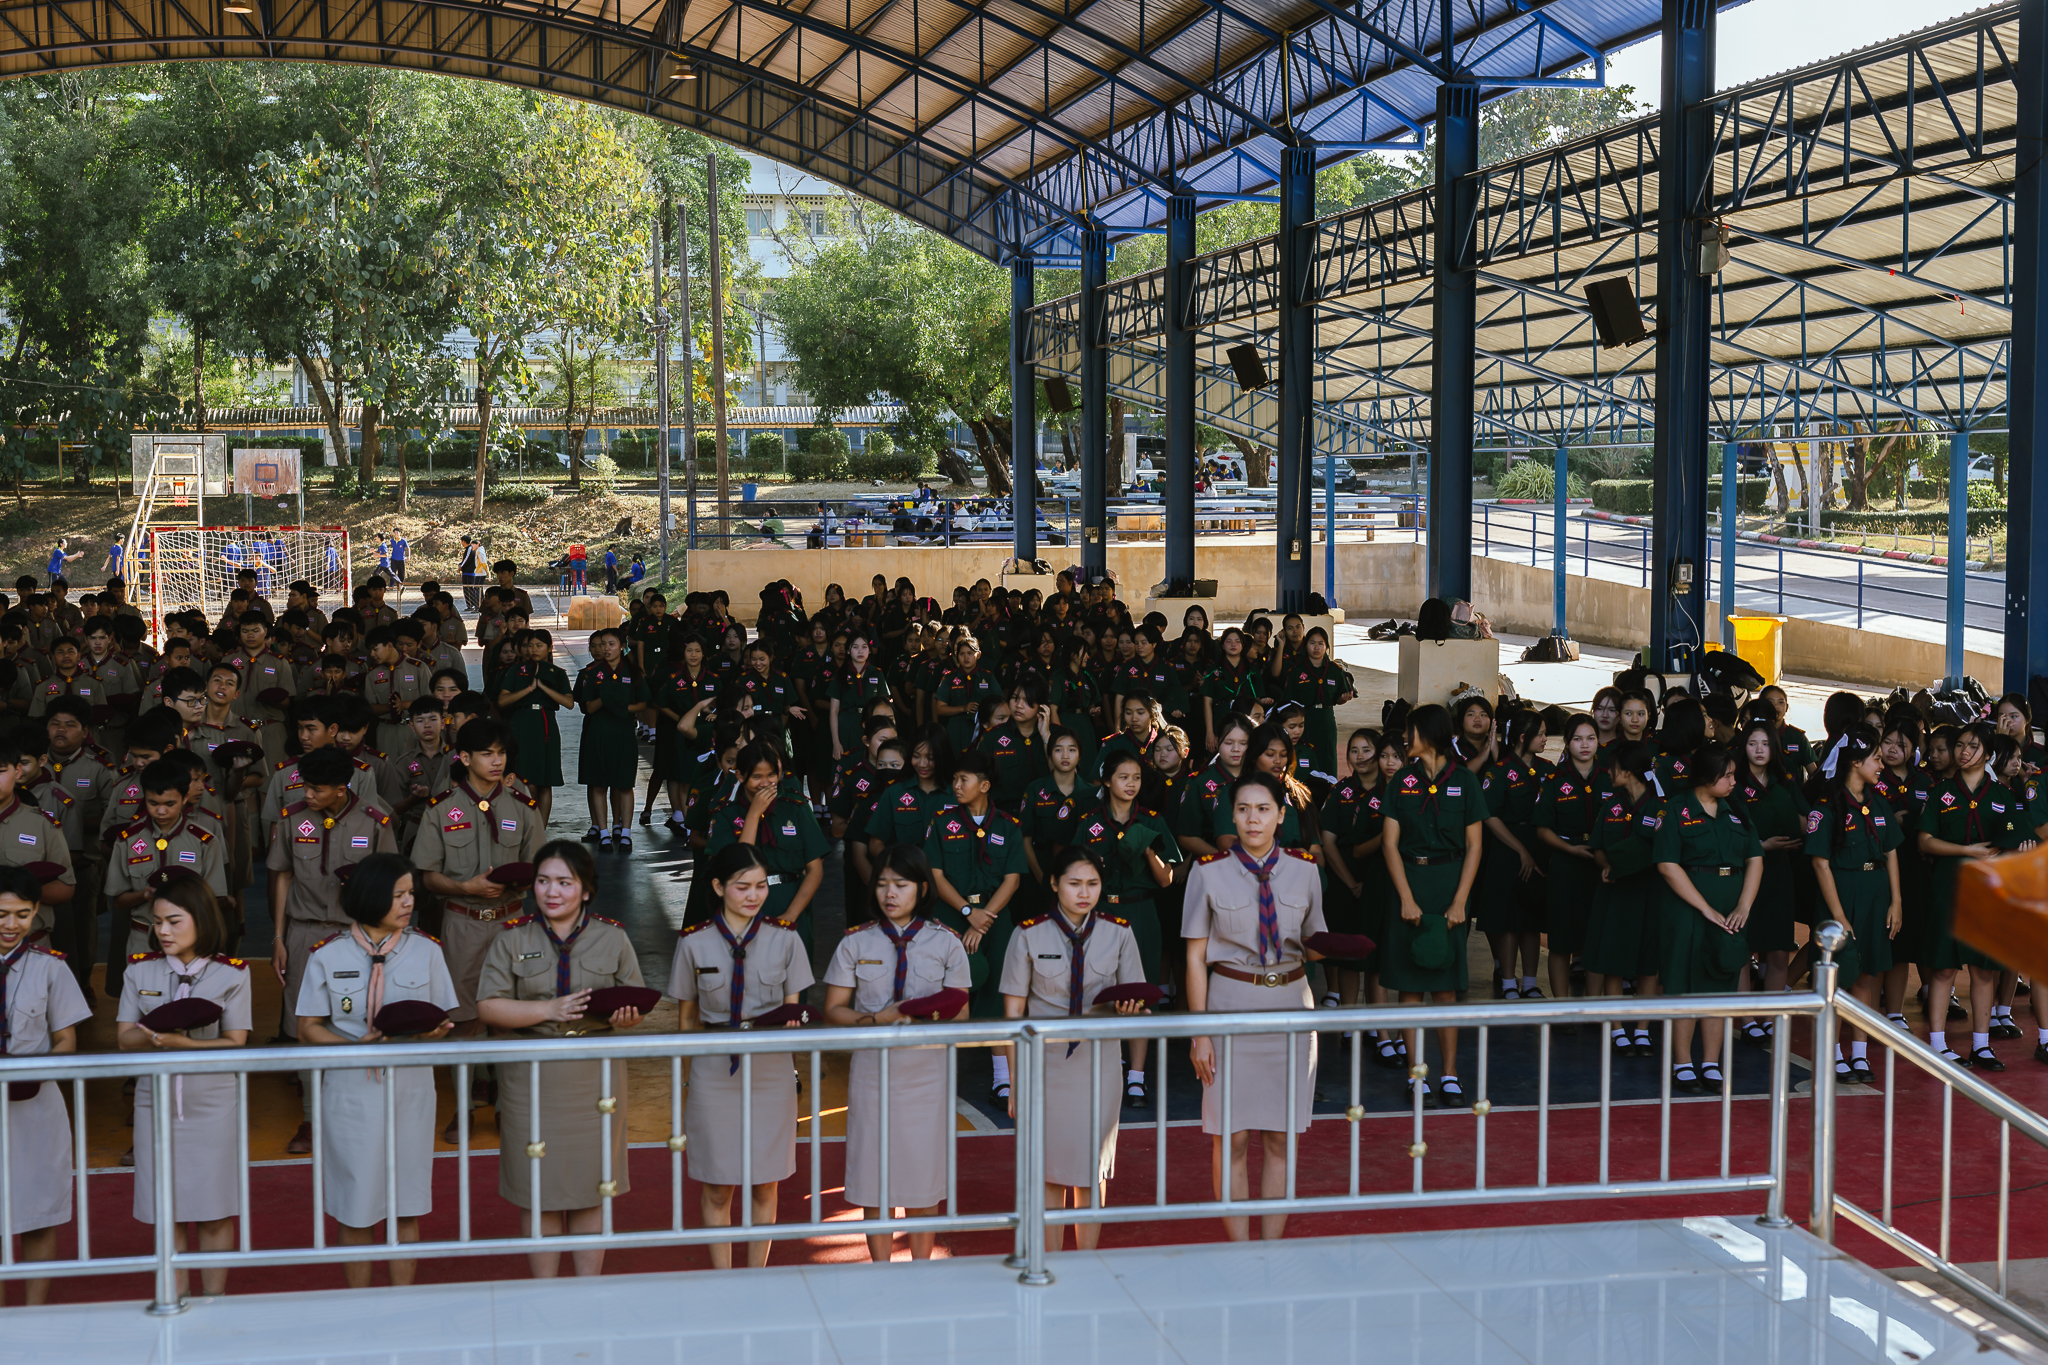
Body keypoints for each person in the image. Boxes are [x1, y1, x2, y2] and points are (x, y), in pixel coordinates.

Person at [476, 841, 647, 1278]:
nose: (552, 892)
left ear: (586, 890)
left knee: (592, 1188)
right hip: (531, 1079)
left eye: (565, 883)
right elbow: (489, 1006)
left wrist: (628, 1018)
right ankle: (545, 1291)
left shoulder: (613, 937)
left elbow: (636, 1000)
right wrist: (547, 1009)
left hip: (594, 1079)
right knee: (539, 1191)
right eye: (543, 881)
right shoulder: (513, 937)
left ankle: (586, 1291)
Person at [294, 853, 457, 1288]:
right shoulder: (328, 955)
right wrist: (354, 1048)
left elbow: (442, 1020)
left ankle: (401, 1302)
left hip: (411, 1089)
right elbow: (308, 1027)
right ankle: (360, 1304)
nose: (409, 903)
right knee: (356, 1205)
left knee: (406, 1203)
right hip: (351, 1091)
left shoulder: (427, 951)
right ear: (370, 896)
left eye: (411, 893)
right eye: (398, 894)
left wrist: (433, 1033)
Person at [1182, 771, 1327, 1242]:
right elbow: (1194, 958)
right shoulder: (1208, 871)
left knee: (1282, 1138)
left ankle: (1271, 1250)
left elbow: (1314, 942)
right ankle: (1240, 1252)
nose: (1252, 819)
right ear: (1232, 815)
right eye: (1243, 809)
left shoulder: (1306, 870)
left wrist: (1340, 949)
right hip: (1231, 1007)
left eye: (1263, 809)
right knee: (1233, 1139)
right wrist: (1201, 1032)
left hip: (1290, 1008)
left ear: (1281, 815)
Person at [822, 845, 971, 1262]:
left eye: (901, 884)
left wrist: (923, 1016)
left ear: (922, 888)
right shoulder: (856, 942)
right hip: (873, 1071)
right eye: (883, 884)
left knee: (923, 1180)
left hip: (926, 1074)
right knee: (874, 1181)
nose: (890, 893)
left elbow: (962, 1014)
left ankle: (921, 1271)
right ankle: (882, 1272)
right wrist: (876, 1020)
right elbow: (833, 1010)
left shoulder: (947, 943)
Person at [669, 843, 813, 1269]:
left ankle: (756, 1276)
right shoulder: (694, 943)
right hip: (714, 1070)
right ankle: (724, 1278)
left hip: (770, 1069)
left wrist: (793, 1031)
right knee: (717, 1185)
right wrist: (690, 1080)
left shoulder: (785, 939)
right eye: (742, 886)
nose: (754, 895)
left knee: (765, 1182)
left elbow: (793, 1009)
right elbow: (687, 1019)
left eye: (761, 886)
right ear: (718, 887)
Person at [999, 845, 1147, 1251]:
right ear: (1054, 884)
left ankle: (1086, 1262)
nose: (1084, 893)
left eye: (1093, 884)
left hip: (1098, 1063)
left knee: (1092, 1167)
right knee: (1049, 1168)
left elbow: (1137, 998)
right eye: (1074, 883)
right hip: (1045, 1064)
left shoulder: (1119, 932)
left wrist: (1130, 1009)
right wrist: (1015, 1081)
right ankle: (1050, 1261)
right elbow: (1012, 1015)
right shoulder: (1028, 934)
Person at [116, 871, 251, 1301]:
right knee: (166, 1209)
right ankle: (173, 1302)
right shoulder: (140, 970)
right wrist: (155, 1036)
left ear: (201, 918)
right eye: (158, 922)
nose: (164, 931)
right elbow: (124, 1038)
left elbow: (236, 1042)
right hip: (155, 1100)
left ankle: (213, 1305)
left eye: (174, 921)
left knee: (214, 1209)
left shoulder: (232, 974)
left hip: (212, 1101)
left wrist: (185, 1044)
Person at [1380, 704, 1485, 1107]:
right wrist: (1405, 897)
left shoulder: (1465, 780)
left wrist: (1461, 901)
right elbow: (1390, 843)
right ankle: (1416, 1074)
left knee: (1445, 987)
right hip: (1409, 882)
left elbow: (1474, 846)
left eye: (1412, 731)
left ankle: (1450, 1074)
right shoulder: (1401, 780)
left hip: (1449, 885)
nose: (1406, 738)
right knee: (1409, 986)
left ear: (1429, 733)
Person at [0, 865, 90, 1305]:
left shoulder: (50, 968)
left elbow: (65, 1039)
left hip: (35, 1104)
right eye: (1, 914)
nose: (11, 924)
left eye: (22, 914)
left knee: (38, 1210)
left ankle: (35, 1314)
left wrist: (39, 1069)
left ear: (36, 911)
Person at [1653, 744, 1764, 1093]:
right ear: (1705, 776)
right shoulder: (1675, 810)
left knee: (1721, 983)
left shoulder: (1737, 810)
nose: (1733, 781)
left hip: (1730, 911)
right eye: (1727, 775)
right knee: (1684, 985)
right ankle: (1683, 1062)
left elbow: (1755, 858)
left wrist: (1744, 905)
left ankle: (1712, 1062)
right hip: (1687, 911)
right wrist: (1703, 907)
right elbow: (1667, 865)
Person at [1806, 726, 1903, 1083]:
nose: (1881, 764)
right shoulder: (1828, 806)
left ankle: (1859, 1054)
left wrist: (1896, 900)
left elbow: (1891, 851)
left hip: (1876, 894)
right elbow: (1820, 863)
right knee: (1839, 977)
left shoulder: (1878, 802)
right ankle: (1833, 1053)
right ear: (1855, 762)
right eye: (1876, 758)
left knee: (1867, 975)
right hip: (1842, 894)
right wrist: (1838, 916)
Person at [574, 629, 648, 850]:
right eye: (602, 644)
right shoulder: (591, 673)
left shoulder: (633, 672)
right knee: (598, 783)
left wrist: (625, 708)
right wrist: (605, 699)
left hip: (624, 732)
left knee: (624, 784)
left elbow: (644, 702)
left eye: (611, 644)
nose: (606, 648)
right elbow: (588, 707)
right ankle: (604, 833)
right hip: (598, 732)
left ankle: (625, 832)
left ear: (622, 646)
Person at [458, 536, 484, 610]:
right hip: (467, 572)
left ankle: (473, 605)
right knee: (467, 589)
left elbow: (466, 559)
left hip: (469, 572)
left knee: (470, 589)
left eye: (462, 541)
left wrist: (461, 566)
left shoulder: (470, 549)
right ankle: (470, 605)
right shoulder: (468, 549)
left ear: (464, 541)